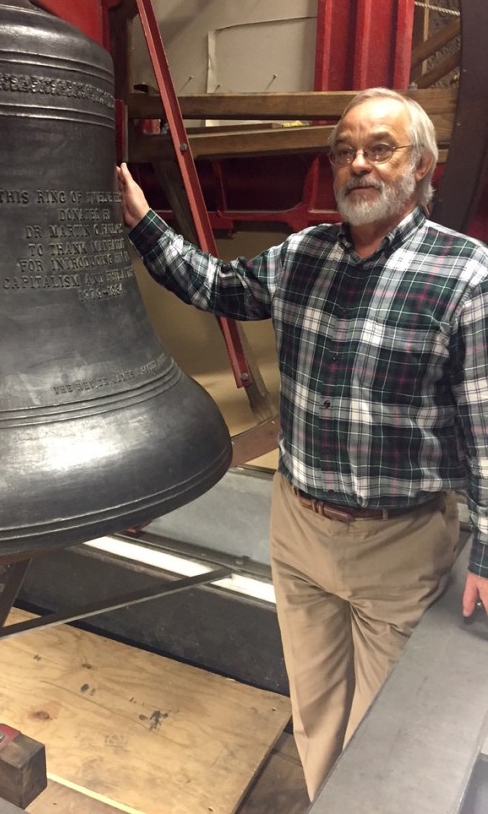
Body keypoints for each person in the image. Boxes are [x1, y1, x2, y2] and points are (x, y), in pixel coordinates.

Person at [117, 87, 488, 800]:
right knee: (316, 713)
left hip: (402, 545)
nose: (358, 164)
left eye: (380, 148)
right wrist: (139, 220)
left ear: (423, 167)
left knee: (392, 732)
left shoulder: (466, 275)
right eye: (344, 151)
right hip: (300, 530)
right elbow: (216, 285)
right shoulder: (303, 255)